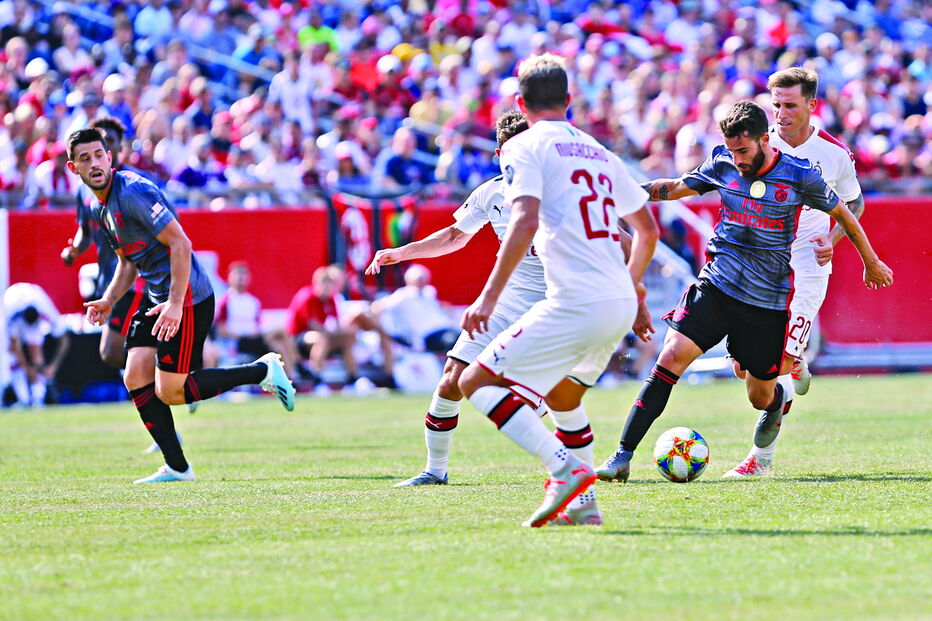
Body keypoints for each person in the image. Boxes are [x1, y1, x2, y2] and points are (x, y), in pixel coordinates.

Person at [595, 100, 893, 485]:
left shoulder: (799, 175)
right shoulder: (722, 163)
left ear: (765, 140)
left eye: (743, 150)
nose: (736, 159)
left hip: (765, 303)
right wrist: (621, 195)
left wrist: (871, 261)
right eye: (731, 150)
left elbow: (845, 213)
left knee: (758, 395)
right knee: (670, 358)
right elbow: (674, 187)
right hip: (716, 284)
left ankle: (778, 398)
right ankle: (622, 456)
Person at [457, 54, 658, 527]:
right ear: (569, 100)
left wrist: (488, 297)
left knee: (474, 383)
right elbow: (647, 231)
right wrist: (633, 291)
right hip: (615, 302)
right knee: (564, 400)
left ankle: (563, 468)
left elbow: (523, 220)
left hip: (576, 301)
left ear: (519, 103)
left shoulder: (522, 146)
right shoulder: (599, 151)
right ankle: (585, 509)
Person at [66, 127, 296, 484]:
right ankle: (177, 467)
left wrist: (174, 304)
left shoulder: (133, 192)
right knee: (134, 375)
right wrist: (110, 300)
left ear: (110, 158)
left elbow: (181, 244)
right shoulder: (101, 207)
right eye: (85, 158)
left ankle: (261, 371)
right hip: (159, 296)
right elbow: (128, 263)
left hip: (187, 298)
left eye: (99, 155)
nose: (94, 163)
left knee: (172, 391)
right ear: (73, 167)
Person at [367, 110, 546, 489]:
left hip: (554, 303)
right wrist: (402, 252)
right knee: (451, 380)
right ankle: (435, 470)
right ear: (500, 154)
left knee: (531, 401)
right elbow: (454, 236)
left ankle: (573, 466)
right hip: (505, 301)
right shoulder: (491, 191)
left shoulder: (560, 188)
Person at [724, 67, 868, 478]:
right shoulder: (758, 143)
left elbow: (854, 203)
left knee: (775, 372)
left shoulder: (834, 153)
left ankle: (760, 460)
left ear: (811, 105)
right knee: (744, 370)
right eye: (776, 105)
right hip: (760, 265)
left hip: (807, 265)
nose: (781, 114)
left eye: (789, 105)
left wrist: (833, 238)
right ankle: (796, 358)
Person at [61, 117, 150, 370]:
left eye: (108, 142)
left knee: (111, 350)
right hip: (109, 278)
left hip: (138, 279)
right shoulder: (84, 189)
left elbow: (167, 227)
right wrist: (75, 250)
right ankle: (165, 378)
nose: (99, 152)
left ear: (118, 149)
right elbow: (85, 230)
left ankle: (168, 377)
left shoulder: (136, 183)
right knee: (120, 351)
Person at [215, 261, 299, 380]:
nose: (240, 278)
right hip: (239, 342)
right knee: (280, 333)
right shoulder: (224, 301)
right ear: (229, 277)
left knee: (279, 346)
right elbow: (221, 330)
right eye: (237, 274)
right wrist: (242, 335)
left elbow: (258, 325)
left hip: (254, 340)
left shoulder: (253, 301)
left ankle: (291, 376)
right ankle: (297, 367)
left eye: (243, 274)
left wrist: (255, 333)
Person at [3, 283, 71, 408]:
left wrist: (53, 366)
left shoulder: (46, 309)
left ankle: (38, 398)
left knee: (37, 356)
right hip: (12, 303)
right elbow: (14, 347)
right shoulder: (12, 314)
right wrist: (28, 369)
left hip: (32, 300)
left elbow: (64, 340)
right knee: (12, 358)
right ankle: (24, 399)